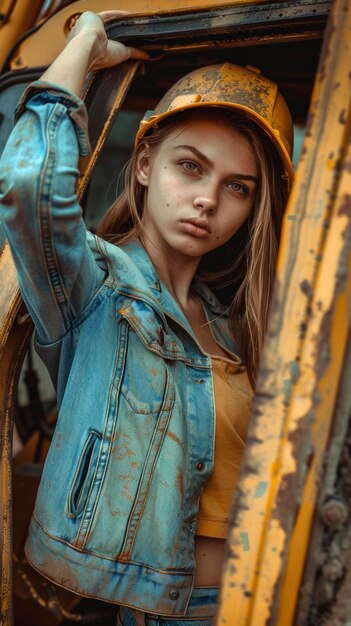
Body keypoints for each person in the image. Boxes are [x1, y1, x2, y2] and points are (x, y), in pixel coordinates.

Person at [0, 11, 294, 626]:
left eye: (237, 187)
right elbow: (28, 186)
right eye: (190, 166)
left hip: (258, 606)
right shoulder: (96, 291)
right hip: (153, 612)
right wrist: (85, 41)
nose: (208, 199)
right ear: (144, 166)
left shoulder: (241, 325)